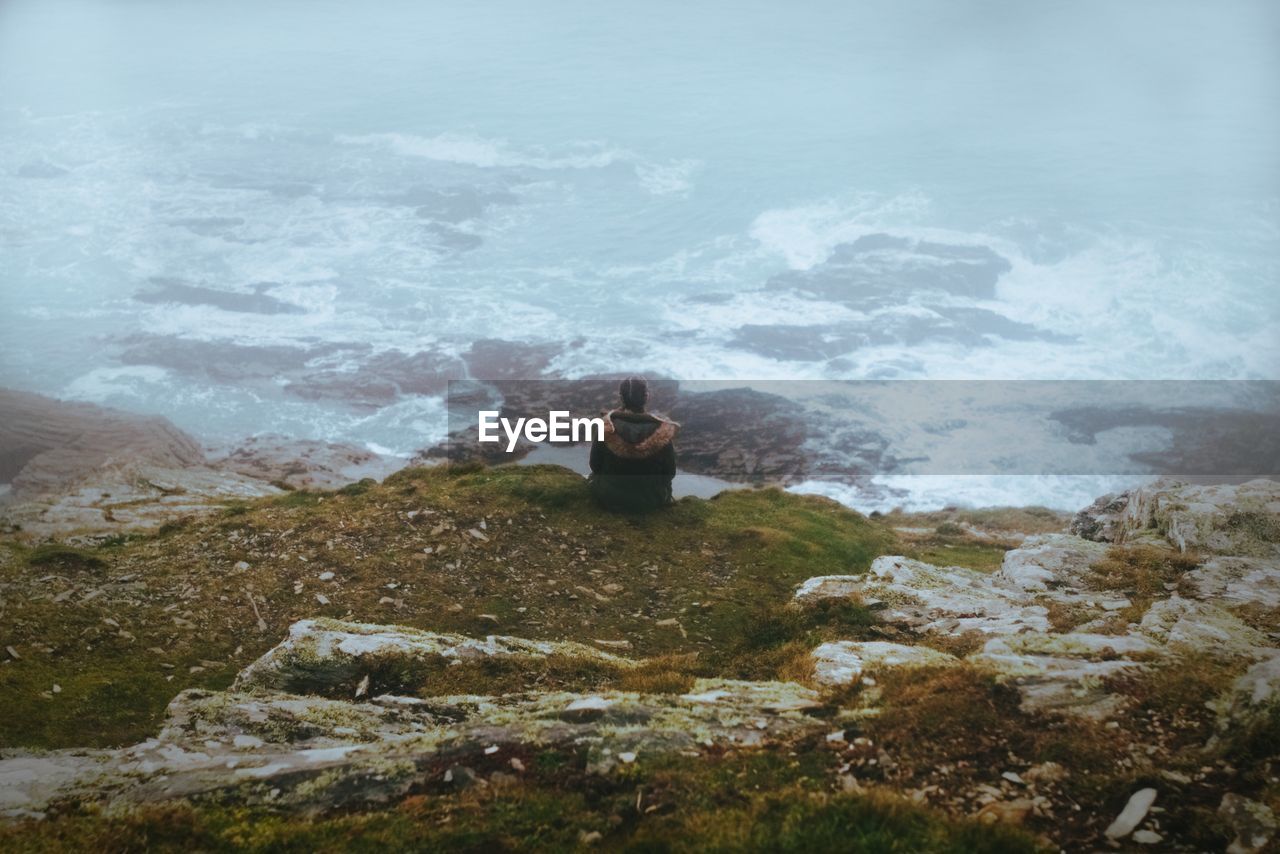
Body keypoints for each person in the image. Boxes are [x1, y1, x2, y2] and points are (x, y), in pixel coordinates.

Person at [588, 376, 679, 512]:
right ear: (646, 397)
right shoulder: (662, 431)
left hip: (609, 497)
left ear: (621, 397)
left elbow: (595, 465)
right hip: (651, 500)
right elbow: (669, 473)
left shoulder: (607, 427)